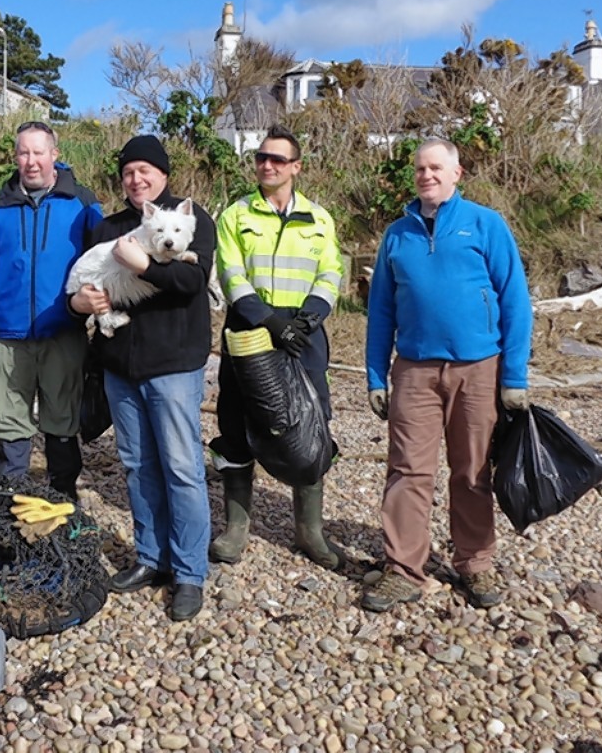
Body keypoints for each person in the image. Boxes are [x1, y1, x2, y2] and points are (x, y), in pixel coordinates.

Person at [363, 138, 532, 612]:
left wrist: (514, 377)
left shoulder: (486, 225)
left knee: (473, 471)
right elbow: (380, 311)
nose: (426, 175)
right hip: (414, 371)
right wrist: (377, 376)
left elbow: (516, 302)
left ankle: (475, 563)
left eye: (436, 168)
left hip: (479, 369)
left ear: (457, 174)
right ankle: (403, 569)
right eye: (420, 168)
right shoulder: (397, 234)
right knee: (407, 472)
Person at [70, 135, 215, 622]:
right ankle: (151, 558)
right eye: (129, 171)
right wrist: (80, 304)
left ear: (164, 175)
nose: (137, 179)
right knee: (136, 465)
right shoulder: (110, 227)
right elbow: (86, 288)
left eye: (146, 171)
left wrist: (145, 264)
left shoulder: (192, 221)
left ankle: (190, 572)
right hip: (120, 366)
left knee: (181, 469)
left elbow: (191, 284)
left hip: (173, 365)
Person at [210, 124, 345, 569]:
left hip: (304, 336)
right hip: (250, 332)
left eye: (278, 159)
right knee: (236, 421)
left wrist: (306, 320)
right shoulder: (236, 215)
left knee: (311, 420)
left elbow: (331, 273)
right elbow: (231, 273)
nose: (267, 165)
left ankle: (310, 531)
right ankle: (236, 528)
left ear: (296, 167)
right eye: (261, 158)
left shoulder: (319, 219)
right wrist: (269, 321)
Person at [0, 121, 102, 498]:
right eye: (23, 153)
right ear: (15, 157)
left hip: (64, 333)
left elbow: (103, 262)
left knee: (62, 425)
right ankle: (10, 509)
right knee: (10, 428)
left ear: (55, 154)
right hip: (8, 337)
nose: (31, 161)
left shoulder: (82, 203)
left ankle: (64, 507)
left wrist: (103, 321)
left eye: (39, 152)